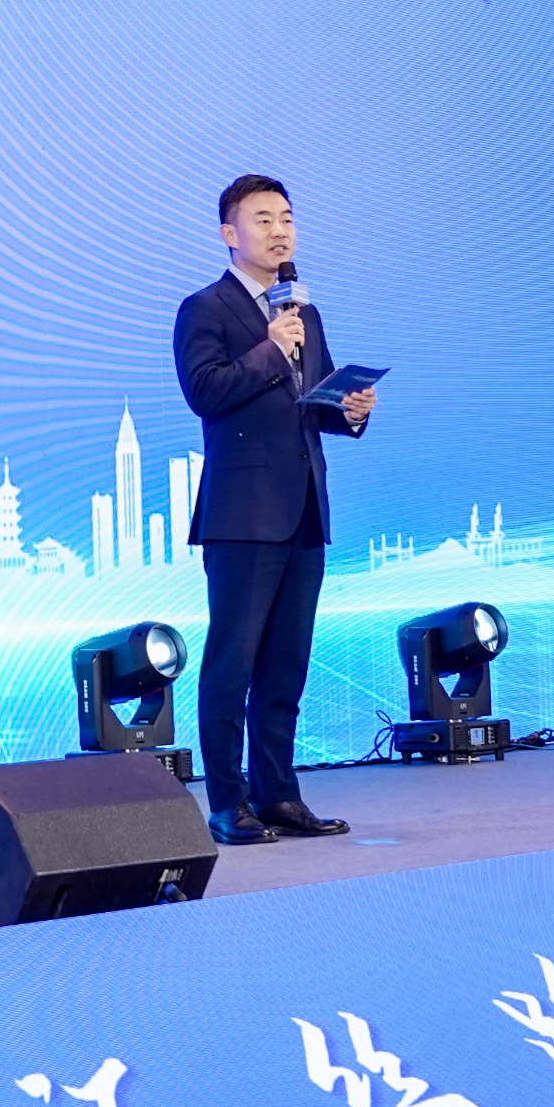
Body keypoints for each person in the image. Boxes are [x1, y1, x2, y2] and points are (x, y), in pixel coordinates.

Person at [174, 174, 374, 847]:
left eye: (286, 218)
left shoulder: (304, 313)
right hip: (242, 516)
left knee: (286, 667)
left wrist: (350, 410)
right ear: (228, 233)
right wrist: (269, 346)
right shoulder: (205, 309)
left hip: (304, 509)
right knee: (231, 666)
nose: (280, 230)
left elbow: (314, 402)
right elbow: (205, 393)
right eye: (263, 219)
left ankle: (279, 795)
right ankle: (227, 804)